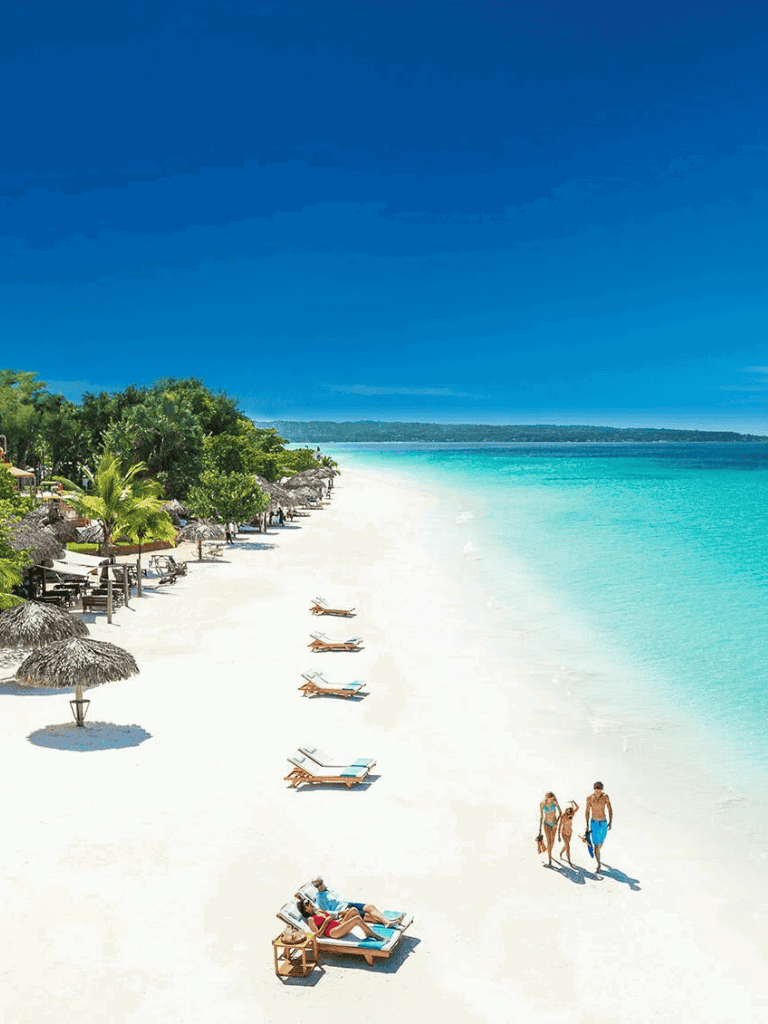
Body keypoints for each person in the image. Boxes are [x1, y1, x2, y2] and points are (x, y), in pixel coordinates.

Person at [310, 876, 404, 928]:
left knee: (370, 906)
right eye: (317, 886)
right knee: (367, 916)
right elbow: (326, 912)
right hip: (344, 911)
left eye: (320, 884)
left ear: (322, 881)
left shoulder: (328, 888)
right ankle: (388, 922)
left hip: (347, 904)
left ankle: (387, 921)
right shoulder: (320, 898)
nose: (320, 887)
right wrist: (341, 913)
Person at [296, 896, 387, 941]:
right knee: (357, 919)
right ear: (305, 909)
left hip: (337, 925)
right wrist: (326, 922)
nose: (310, 903)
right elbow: (318, 935)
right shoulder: (310, 919)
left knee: (353, 910)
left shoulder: (319, 911)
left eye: (308, 901)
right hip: (333, 932)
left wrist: (342, 918)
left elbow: (332, 920)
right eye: (307, 904)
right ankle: (370, 934)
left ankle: (365, 929)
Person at [585, 781, 613, 873]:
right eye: (596, 790)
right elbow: (587, 812)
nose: (598, 791)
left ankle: (597, 853)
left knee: (601, 843)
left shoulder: (605, 797)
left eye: (599, 790)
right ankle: (598, 865)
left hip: (604, 823)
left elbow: (609, 809)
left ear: (602, 790)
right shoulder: (589, 798)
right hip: (594, 823)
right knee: (596, 845)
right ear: (594, 789)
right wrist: (586, 825)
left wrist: (610, 821)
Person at [538, 792, 561, 867]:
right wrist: (540, 829)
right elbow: (541, 817)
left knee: (552, 841)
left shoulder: (554, 803)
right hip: (546, 824)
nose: (551, 799)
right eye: (549, 798)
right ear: (546, 798)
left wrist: (557, 821)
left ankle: (549, 851)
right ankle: (550, 859)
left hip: (554, 824)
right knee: (548, 841)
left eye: (552, 798)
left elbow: (560, 812)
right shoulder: (542, 804)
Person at [557, 800, 579, 866]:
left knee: (566, 846)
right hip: (564, 833)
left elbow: (577, 808)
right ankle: (569, 861)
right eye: (568, 810)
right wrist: (558, 836)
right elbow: (559, 826)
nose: (569, 811)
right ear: (566, 810)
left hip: (570, 833)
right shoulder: (563, 817)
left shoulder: (572, 815)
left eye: (570, 810)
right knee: (568, 847)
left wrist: (574, 802)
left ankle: (561, 853)